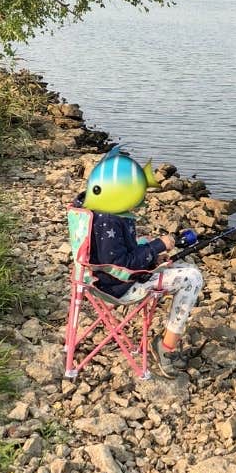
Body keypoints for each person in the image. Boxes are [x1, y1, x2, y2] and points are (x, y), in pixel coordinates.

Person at [78, 146, 203, 378]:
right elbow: (120, 264)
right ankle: (165, 348)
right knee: (192, 278)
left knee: (188, 269)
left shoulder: (103, 208)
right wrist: (158, 245)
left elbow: (123, 253)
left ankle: (164, 342)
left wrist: (152, 257)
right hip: (118, 286)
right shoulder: (108, 218)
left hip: (108, 278)